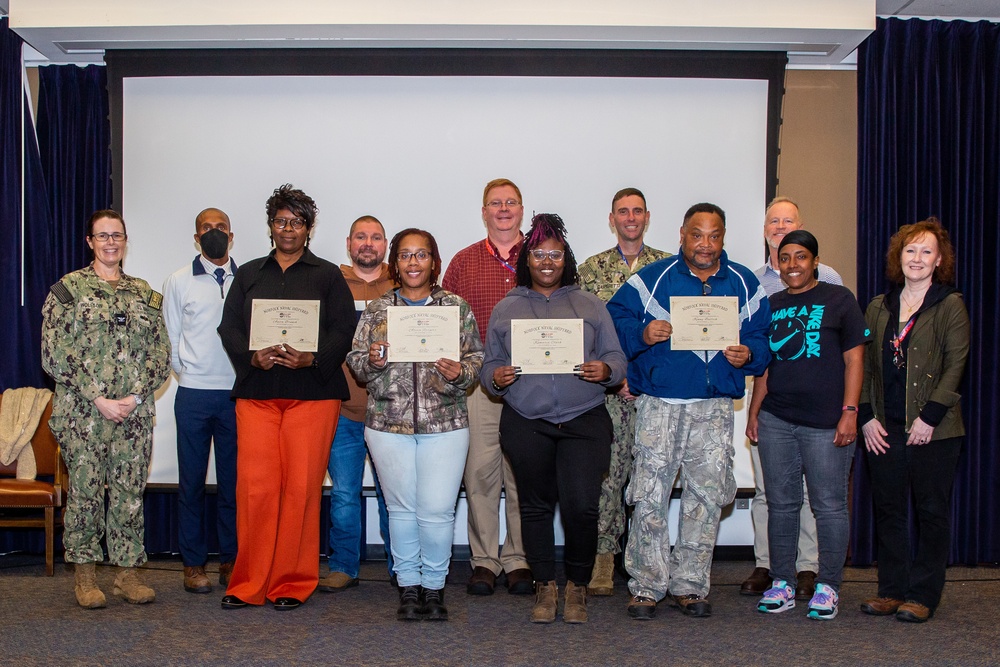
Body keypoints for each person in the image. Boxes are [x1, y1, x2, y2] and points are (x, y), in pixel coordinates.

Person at [607, 202, 770, 620]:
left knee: (706, 496)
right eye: (697, 234)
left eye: (714, 235)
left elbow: (761, 338)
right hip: (660, 403)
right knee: (648, 495)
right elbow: (614, 320)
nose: (705, 244)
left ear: (724, 238)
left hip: (713, 408)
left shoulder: (744, 284)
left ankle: (691, 585)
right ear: (682, 234)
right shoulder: (652, 278)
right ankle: (646, 586)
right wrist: (642, 332)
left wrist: (748, 354)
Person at [217, 184, 356, 611]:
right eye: (281, 221)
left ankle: (291, 582)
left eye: (297, 222)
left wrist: (312, 359)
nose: (288, 229)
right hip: (258, 394)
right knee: (256, 489)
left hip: (312, 396)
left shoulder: (328, 274)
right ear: (270, 226)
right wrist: (250, 357)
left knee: (301, 489)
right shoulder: (249, 274)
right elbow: (230, 328)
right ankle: (248, 582)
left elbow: (343, 328)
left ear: (309, 228)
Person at [483, 213, 626, 624]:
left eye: (555, 255)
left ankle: (577, 585)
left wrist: (607, 370)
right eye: (539, 254)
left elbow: (616, 357)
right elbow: (490, 364)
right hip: (526, 420)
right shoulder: (507, 307)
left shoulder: (589, 303)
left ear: (566, 259)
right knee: (534, 506)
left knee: (582, 507)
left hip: (584, 419)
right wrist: (495, 376)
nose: (547, 262)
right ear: (527, 259)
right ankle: (545, 585)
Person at [348, 228, 483, 621]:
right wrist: (372, 360)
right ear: (396, 262)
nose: (412, 263)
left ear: (434, 262)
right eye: (405, 255)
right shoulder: (377, 311)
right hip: (388, 423)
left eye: (421, 255)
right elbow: (355, 361)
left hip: (446, 423)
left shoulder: (455, 307)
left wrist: (460, 371)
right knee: (401, 509)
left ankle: (435, 588)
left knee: (438, 510)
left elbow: (475, 361)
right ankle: (408, 587)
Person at [41, 209, 171, 608]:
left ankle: (127, 575)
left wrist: (131, 398)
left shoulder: (145, 295)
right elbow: (54, 353)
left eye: (117, 235)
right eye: (102, 236)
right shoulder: (67, 291)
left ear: (125, 240)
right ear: (90, 242)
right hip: (84, 414)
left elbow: (161, 353)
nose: (110, 242)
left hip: (132, 415)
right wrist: (98, 397)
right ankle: (85, 576)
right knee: (85, 494)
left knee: (130, 493)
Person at [745, 230, 868, 621]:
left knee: (828, 506)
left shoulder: (840, 300)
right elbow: (765, 366)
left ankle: (828, 585)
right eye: (785, 258)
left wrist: (850, 411)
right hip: (777, 419)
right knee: (781, 505)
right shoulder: (771, 304)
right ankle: (781, 581)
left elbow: (855, 361)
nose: (792, 265)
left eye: (801, 257)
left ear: (815, 261)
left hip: (826, 422)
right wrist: (753, 412)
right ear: (777, 263)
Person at [859, 218, 969, 623]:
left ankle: (923, 595)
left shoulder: (949, 304)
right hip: (883, 429)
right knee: (888, 511)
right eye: (910, 250)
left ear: (939, 260)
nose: (917, 258)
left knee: (930, 513)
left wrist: (930, 417)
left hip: (934, 431)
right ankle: (891, 590)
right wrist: (867, 417)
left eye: (926, 251)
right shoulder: (877, 306)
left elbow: (956, 365)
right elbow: (866, 369)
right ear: (898, 257)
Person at [442, 178, 532, 596]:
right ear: (483, 211)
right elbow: (445, 324)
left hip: (532, 383)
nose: (503, 209)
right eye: (495, 203)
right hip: (479, 384)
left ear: (521, 209)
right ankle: (483, 560)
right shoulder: (463, 262)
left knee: (521, 474)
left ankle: (517, 558)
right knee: (479, 472)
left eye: (510, 202)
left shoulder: (542, 256)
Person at [578, 187, 670, 596]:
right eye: (622, 212)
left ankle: (648, 562)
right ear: (612, 219)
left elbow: (676, 336)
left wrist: (639, 376)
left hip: (657, 392)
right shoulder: (590, 269)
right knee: (608, 476)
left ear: (646, 217)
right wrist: (617, 377)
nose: (630, 217)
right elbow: (584, 333)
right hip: (608, 393)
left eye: (636, 211)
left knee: (652, 478)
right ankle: (603, 558)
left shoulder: (669, 267)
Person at [162, 207, 239, 595]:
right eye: (206, 229)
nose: (213, 233)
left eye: (220, 228)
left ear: (232, 235)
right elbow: (171, 338)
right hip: (192, 394)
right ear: (196, 238)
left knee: (233, 484)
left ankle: (230, 560)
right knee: (190, 483)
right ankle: (193, 564)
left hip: (236, 396)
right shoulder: (178, 280)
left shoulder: (248, 279)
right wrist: (189, 373)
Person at [319, 215, 394, 594]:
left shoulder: (402, 284)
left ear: (386, 244)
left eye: (376, 237)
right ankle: (344, 566)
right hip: (343, 409)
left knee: (391, 495)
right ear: (349, 243)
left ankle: (401, 566)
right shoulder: (330, 282)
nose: (368, 243)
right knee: (345, 495)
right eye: (361, 237)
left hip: (390, 413)